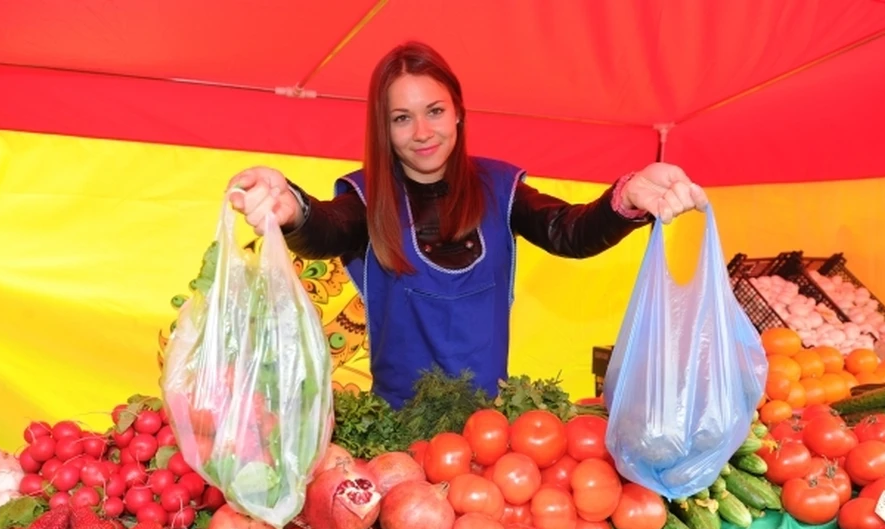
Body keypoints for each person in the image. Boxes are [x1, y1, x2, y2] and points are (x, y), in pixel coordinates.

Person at [227, 41, 708, 410]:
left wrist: (624, 197)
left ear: (458, 112)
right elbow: (326, 229)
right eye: (401, 118)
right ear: (383, 128)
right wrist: (294, 207)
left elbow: (569, 231)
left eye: (434, 111)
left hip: (488, 430)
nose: (422, 132)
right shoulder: (364, 198)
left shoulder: (502, 187)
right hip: (399, 434)